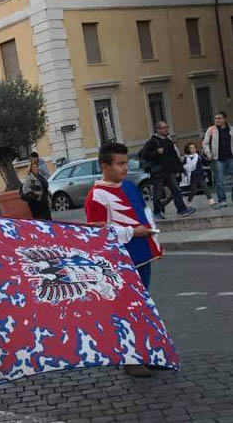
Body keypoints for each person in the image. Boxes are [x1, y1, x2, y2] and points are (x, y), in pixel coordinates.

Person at [85, 142, 162, 378]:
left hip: (142, 257)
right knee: (128, 311)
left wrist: (154, 242)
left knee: (143, 308)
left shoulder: (129, 186)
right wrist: (132, 233)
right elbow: (98, 235)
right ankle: (130, 358)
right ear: (104, 166)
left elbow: (144, 215)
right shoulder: (96, 196)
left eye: (126, 163)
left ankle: (148, 354)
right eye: (120, 164)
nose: (125, 168)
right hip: (120, 262)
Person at [140, 121, 195, 219]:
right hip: (158, 172)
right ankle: (157, 212)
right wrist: (156, 152)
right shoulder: (152, 142)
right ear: (158, 130)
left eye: (167, 127)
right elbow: (143, 155)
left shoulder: (168, 142)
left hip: (169, 171)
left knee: (176, 190)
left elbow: (173, 157)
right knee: (158, 193)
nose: (166, 130)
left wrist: (179, 169)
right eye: (164, 128)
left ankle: (182, 209)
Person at [202, 111, 233, 209]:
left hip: (231, 157)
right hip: (218, 158)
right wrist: (208, 153)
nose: (217, 120)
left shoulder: (231, 130)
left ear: (224, 119)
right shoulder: (211, 130)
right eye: (216, 118)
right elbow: (205, 143)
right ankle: (222, 200)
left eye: (219, 118)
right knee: (220, 181)